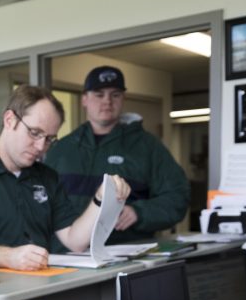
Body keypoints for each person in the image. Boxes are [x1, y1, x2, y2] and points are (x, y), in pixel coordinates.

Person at [0, 85, 129, 271]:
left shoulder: (47, 177)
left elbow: (74, 241)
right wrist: (9, 257)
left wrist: (100, 198)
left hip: (41, 286)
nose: (40, 147)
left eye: (49, 139)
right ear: (9, 120)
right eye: (35, 133)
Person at [44, 65, 189, 244]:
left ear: (123, 98)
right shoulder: (61, 149)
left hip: (125, 257)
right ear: (84, 99)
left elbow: (177, 197)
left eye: (115, 95)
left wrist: (140, 212)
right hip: (66, 259)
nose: (107, 101)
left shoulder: (148, 147)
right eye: (99, 95)